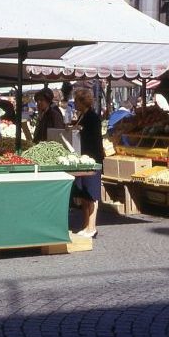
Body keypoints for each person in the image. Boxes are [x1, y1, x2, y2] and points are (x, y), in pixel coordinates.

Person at [72, 88, 104, 239]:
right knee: (84, 195)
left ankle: (92, 227)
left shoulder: (92, 117)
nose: (74, 103)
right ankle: (86, 226)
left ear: (82, 101)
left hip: (92, 160)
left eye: (76, 100)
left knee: (92, 195)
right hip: (84, 159)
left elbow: (92, 138)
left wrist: (79, 130)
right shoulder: (83, 115)